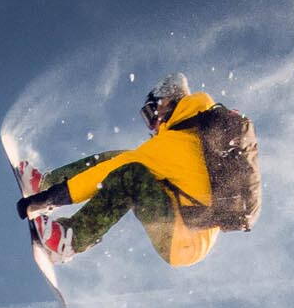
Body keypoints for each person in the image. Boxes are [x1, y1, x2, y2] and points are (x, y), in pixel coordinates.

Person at [17, 73, 249, 268]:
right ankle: (45, 182)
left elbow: (113, 171)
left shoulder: (178, 143)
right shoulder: (194, 133)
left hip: (182, 241)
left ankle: (69, 240)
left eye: (151, 113)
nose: (151, 125)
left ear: (167, 103)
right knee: (122, 160)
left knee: (129, 174)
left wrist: (48, 200)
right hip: (188, 225)